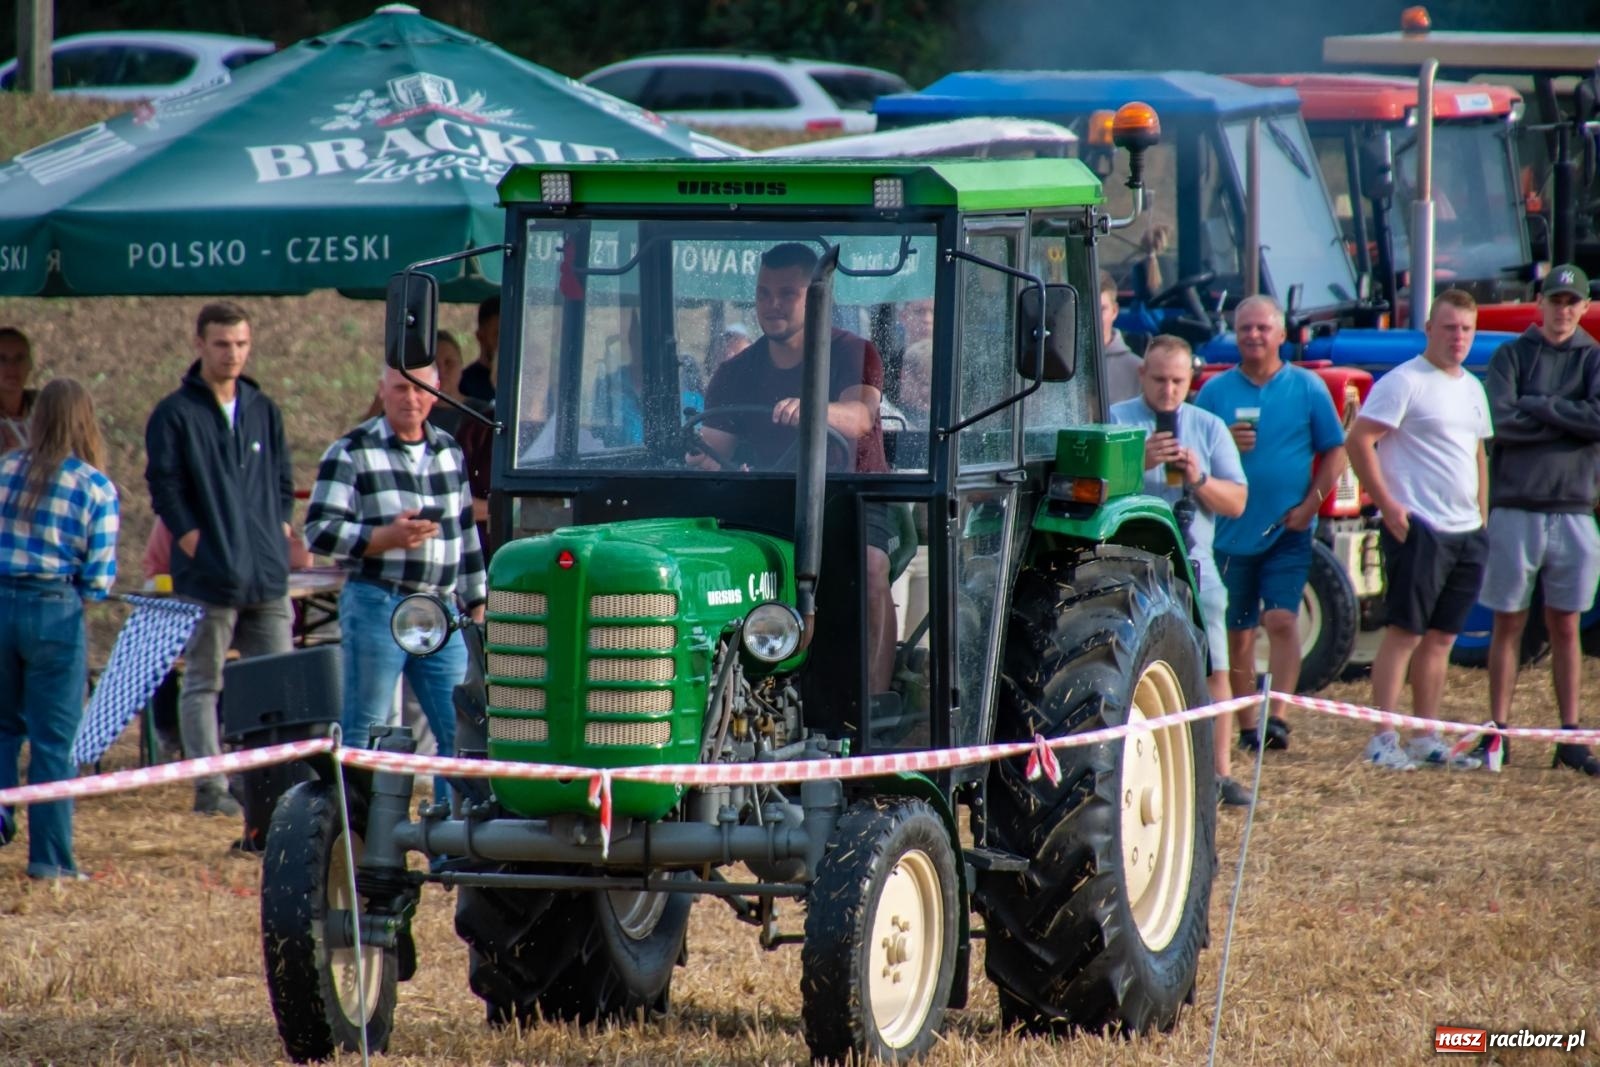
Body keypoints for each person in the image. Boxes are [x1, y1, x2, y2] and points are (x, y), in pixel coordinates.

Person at [687, 242, 895, 692]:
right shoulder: (735, 371)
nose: (772, 304)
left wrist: (812, 408)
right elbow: (713, 449)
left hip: (852, 496)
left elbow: (860, 416)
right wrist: (697, 455)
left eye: (787, 294)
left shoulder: (853, 352)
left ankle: (876, 704)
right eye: (764, 293)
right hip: (767, 500)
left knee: (871, 568)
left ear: (818, 299)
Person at [306, 363, 486, 803]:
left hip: (441, 609)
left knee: (460, 730)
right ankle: (359, 832)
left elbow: (465, 532)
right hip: (378, 600)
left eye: (420, 389)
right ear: (382, 390)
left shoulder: (449, 450)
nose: (411, 398)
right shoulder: (351, 450)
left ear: (436, 393)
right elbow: (319, 531)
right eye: (401, 388)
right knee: (367, 726)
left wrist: (477, 600)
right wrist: (384, 537)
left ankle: (449, 831)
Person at [145, 302, 296, 817]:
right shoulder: (175, 413)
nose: (232, 354)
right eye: (222, 344)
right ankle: (211, 787)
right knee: (203, 682)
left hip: (267, 577)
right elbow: (164, 488)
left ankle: (274, 784)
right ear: (200, 345)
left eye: (240, 344)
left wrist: (279, 531)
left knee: (277, 682)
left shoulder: (262, 407)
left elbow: (283, 480)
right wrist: (196, 544)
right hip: (209, 576)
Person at [1345, 290, 1490, 771]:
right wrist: (1388, 505)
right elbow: (1359, 441)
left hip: (1465, 531)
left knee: (1442, 638)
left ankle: (1426, 735)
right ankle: (1383, 738)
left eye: (1466, 329)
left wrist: (1482, 518)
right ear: (1429, 329)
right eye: (1449, 328)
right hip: (1419, 527)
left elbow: (1477, 454)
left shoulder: (1473, 388)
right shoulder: (1404, 381)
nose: (1458, 337)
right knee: (1404, 633)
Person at [1195, 295, 1347, 750]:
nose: (1254, 335)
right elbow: (1190, 460)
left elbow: (1335, 452)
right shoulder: (1215, 392)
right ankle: (1247, 725)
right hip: (1229, 533)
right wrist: (1223, 442)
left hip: (1288, 529)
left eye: (1263, 328)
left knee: (1281, 619)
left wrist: (1310, 507)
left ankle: (1277, 717)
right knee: (1238, 632)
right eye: (1245, 328)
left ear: (1281, 334)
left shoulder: (1307, 387)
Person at [1112, 336, 1251, 805]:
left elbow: (1237, 502)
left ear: (1191, 380)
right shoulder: (1116, 421)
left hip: (1197, 566)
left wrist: (1199, 478)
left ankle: (1219, 774)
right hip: (1130, 566)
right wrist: (1139, 461)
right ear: (1141, 375)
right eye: (1159, 380)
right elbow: (1092, 486)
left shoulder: (1209, 427)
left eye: (1177, 381)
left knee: (1215, 667)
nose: (1168, 390)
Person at [1481, 264, 1600, 776]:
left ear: (1584, 307)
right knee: (1507, 621)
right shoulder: (1511, 355)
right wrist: (1567, 418)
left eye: (1572, 302)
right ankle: (1498, 732)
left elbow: (1598, 420)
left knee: (1566, 625)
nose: (1563, 310)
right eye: (1556, 300)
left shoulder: (1594, 358)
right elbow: (1500, 420)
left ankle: (1569, 735)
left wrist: (1539, 406)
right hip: (1516, 506)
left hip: (1574, 508)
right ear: (1540, 303)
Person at [0, 379, 119, 880]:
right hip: (55, 611)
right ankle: (49, 860)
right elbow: (98, 580)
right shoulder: (94, 487)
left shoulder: (4, 470)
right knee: (54, 741)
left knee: (2, 727)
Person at [1100, 270, 1142, 407]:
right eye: (1086, 308)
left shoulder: (1139, 371)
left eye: (1101, 309)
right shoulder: (1057, 365)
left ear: (1114, 311)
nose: (1093, 317)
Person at [0, 327, 37, 453]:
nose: (11, 367)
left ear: (30, 364)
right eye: (2, 359)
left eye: (19, 358)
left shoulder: (46, 409)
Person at [459, 295, 500, 403]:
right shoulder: (463, 384)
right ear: (480, 336)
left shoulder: (526, 383)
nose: (506, 343)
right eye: (498, 335)